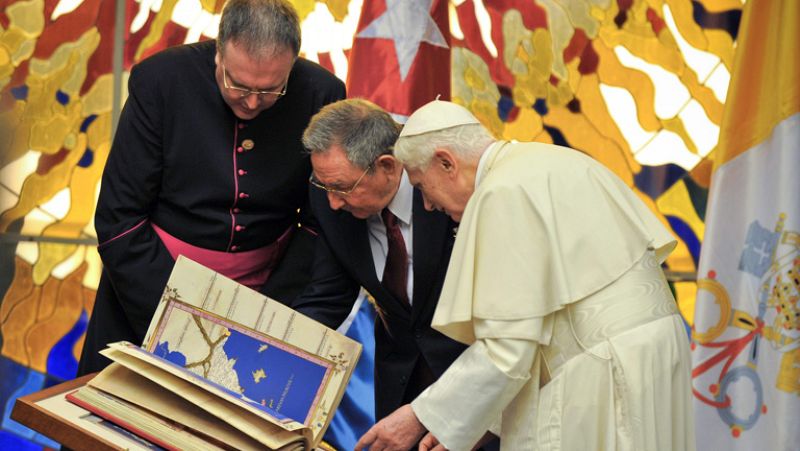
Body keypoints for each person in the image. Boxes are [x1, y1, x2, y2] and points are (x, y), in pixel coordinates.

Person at [356, 100, 695, 451]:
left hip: (602, 369)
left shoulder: (500, 192)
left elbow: (508, 349)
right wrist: (473, 424)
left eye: (422, 186)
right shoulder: (552, 161)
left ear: (446, 162)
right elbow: (541, 327)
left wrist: (421, 416)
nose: (427, 205)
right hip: (650, 351)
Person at [78, 0, 345, 375]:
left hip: (266, 297)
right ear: (219, 51)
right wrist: (177, 320)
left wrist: (267, 315)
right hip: (149, 288)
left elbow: (321, 221)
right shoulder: (161, 81)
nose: (252, 102)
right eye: (238, 85)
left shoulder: (322, 94)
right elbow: (119, 218)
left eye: (272, 90)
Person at [291, 99, 471, 425]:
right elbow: (329, 295)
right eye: (323, 185)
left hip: (469, 376)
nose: (332, 202)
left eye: (342, 188)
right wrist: (277, 345)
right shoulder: (328, 194)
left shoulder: (445, 180)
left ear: (388, 166)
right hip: (399, 382)